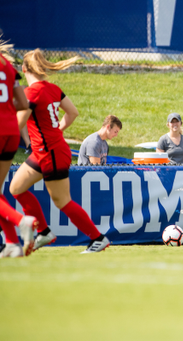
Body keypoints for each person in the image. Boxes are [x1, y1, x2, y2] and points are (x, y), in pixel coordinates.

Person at [9, 49, 110, 254]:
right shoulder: (53, 88)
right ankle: (44, 231)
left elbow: (19, 121)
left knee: (62, 201)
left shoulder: (31, 92)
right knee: (16, 188)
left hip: (51, 152)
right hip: (46, 151)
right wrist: (57, 131)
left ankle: (98, 239)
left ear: (24, 68)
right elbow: (73, 113)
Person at [0, 41, 38, 258]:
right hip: (11, 132)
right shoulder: (7, 65)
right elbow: (22, 104)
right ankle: (12, 243)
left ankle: (21, 221)